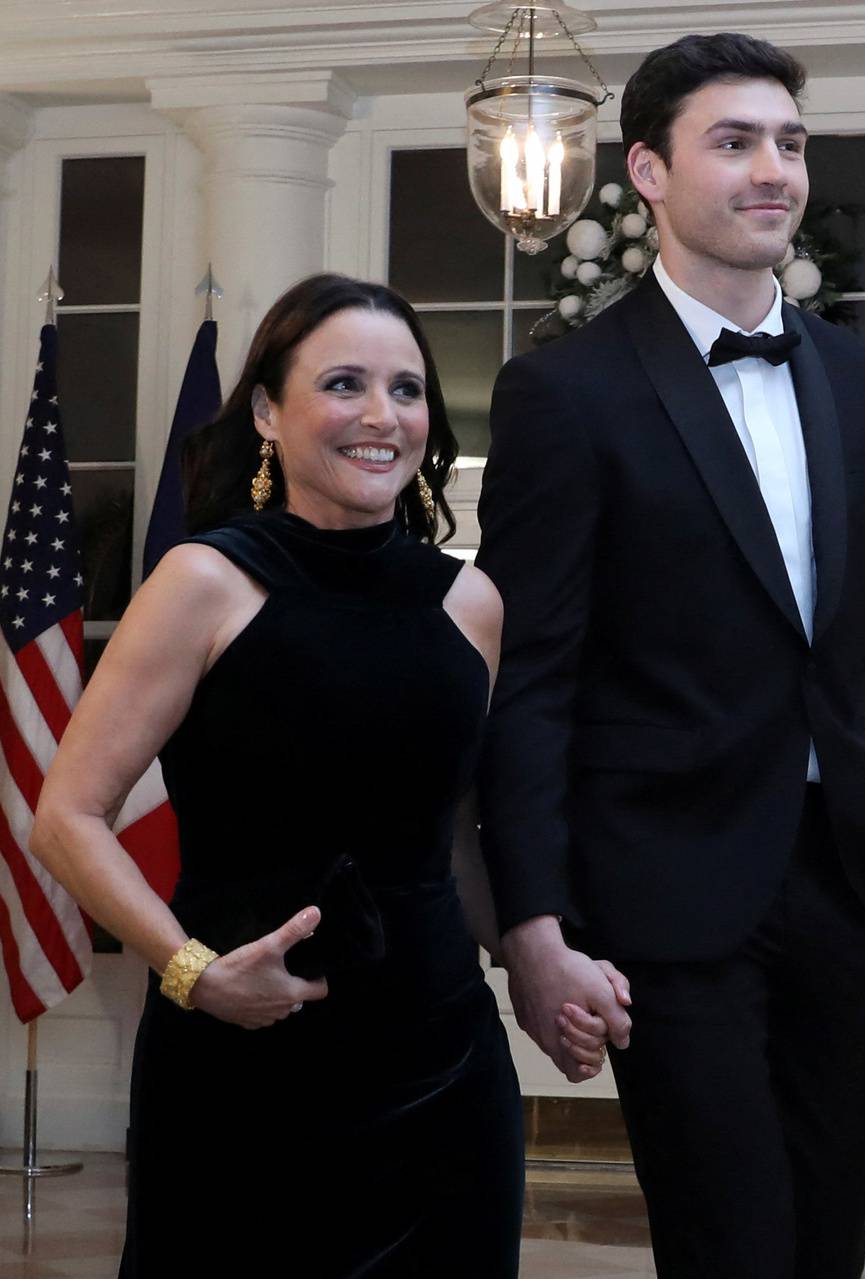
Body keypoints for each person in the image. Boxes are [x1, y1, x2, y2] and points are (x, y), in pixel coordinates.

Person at [31, 273, 619, 1277]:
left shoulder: (470, 602)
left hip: (440, 1059)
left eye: (406, 388)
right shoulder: (205, 581)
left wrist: (539, 956)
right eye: (345, 383)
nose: (382, 415)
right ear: (268, 409)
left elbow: (453, 835)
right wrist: (194, 974)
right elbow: (67, 817)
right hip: (242, 1053)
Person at [476, 33, 865, 1278]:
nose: (772, 169)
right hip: (665, 894)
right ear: (649, 172)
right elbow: (532, 680)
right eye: (734, 142)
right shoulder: (564, 394)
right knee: (728, 1240)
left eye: (787, 142)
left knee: (826, 1237)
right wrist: (533, 918)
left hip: (850, 889)